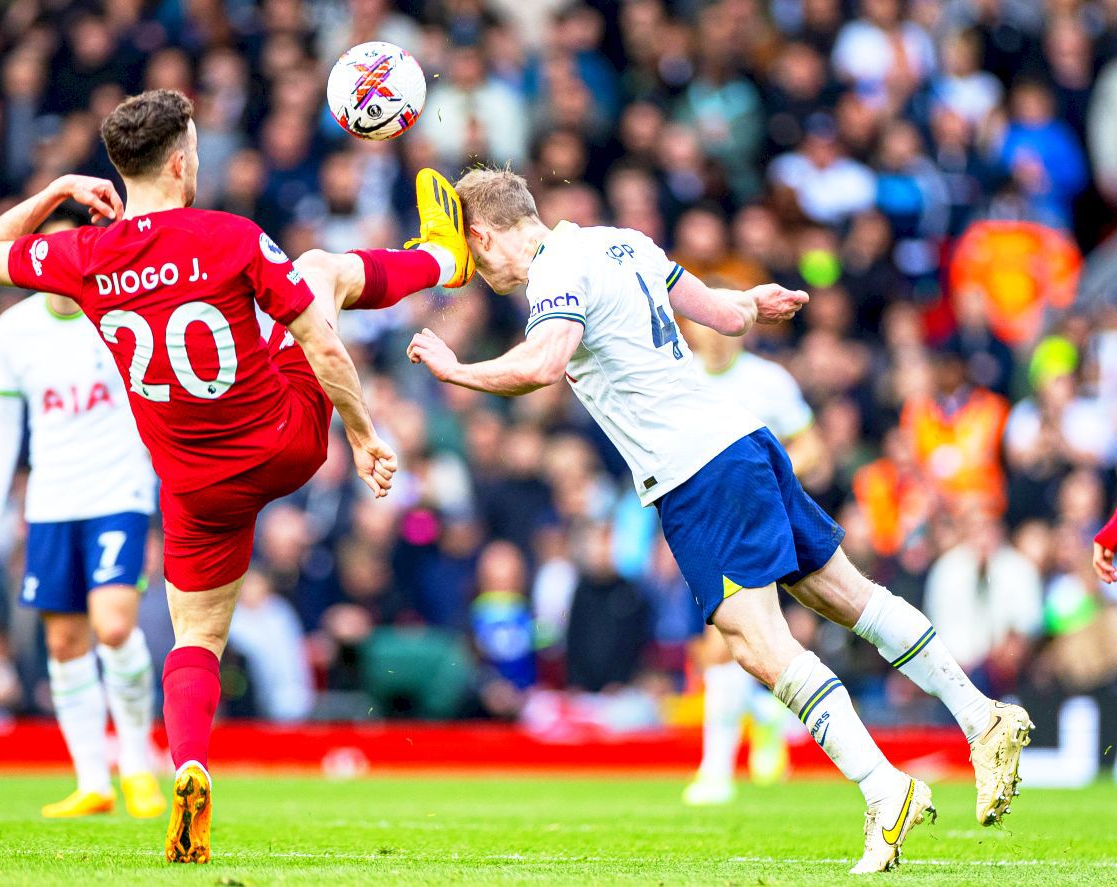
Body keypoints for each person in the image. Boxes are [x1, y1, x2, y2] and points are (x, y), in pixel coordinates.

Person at [407, 168, 1032, 874]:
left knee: (758, 644)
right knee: (847, 596)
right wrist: (754, 303)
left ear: (483, 234)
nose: (475, 271)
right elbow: (726, 316)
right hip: (744, 440)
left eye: (471, 255)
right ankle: (984, 717)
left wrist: (457, 371)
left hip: (697, 472)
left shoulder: (554, 275)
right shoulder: (622, 241)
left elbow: (543, 363)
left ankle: (885, 789)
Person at [0, 89, 473, 863]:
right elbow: (324, 348)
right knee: (320, 272)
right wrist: (365, 435)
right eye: (196, 148)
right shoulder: (231, 236)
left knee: (197, 635)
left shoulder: (86, 256)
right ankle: (443, 256)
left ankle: (190, 761)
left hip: (194, 482)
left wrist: (58, 193)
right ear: (180, 161)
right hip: (281, 443)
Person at [0, 212, 166, 820]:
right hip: (51, 502)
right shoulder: (13, 331)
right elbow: (3, 423)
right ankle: (92, 781)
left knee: (112, 626)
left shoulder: (119, 312)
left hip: (118, 495)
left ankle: (136, 761)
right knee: (65, 640)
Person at [675, 317, 829, 804]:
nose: (716, 332)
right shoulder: (676, 377)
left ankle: (716, 772)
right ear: (691, 329)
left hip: (762, 521)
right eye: (706, 322)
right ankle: (767, 717)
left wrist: (763, 476)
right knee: (741, 642)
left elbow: (812, 447)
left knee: (724, 639)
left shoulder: (769, 381)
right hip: (702, 523)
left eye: (724, 322)